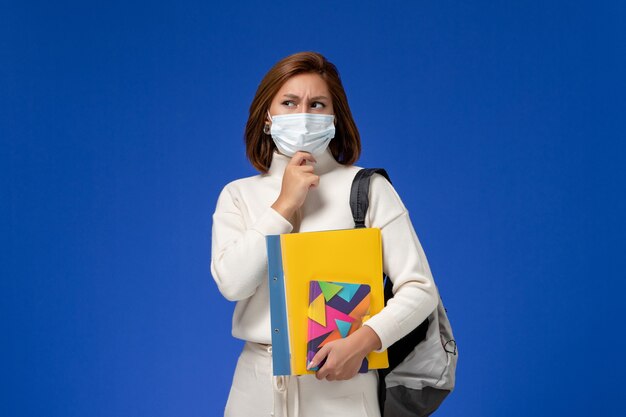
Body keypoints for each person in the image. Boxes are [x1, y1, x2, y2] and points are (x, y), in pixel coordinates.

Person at [210, 51, 438, 417]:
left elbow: (420, 289)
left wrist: (364, 341)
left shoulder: (367, 189)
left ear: (334, 118)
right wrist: (283, 205)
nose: (303, 114)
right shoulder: (239, 195)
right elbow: (233, 285)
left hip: (342, 384)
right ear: (267, 118)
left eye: (317, 104)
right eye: (289, 102)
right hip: (255, 386)